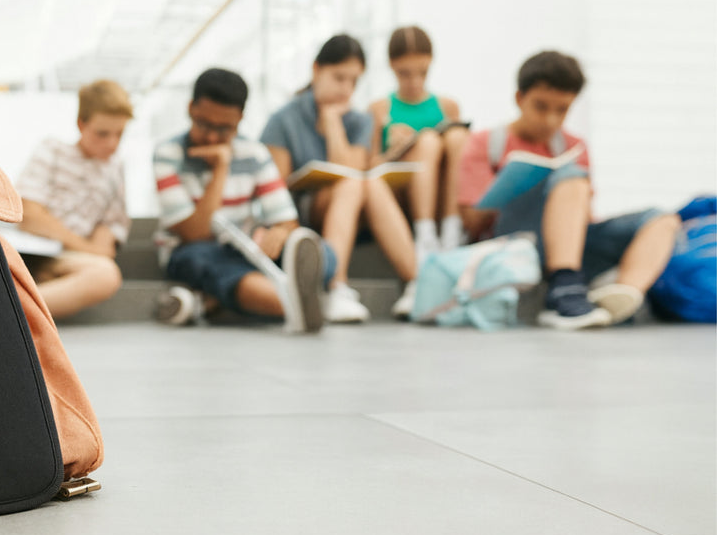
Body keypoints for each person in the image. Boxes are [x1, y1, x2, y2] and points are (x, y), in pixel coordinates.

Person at [458, 51, 680, 329]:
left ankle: (623, 296)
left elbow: (584, 218)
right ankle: (565, 289)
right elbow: (472, 222)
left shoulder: (575, 147)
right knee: (571, 174)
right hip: (513, 242)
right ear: (519, 99)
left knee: (662, 219)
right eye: (541, 107)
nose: (551, 120)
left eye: (562, 110)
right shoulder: (485, 143)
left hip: (568, 244)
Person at [153, 68, 335, 332]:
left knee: (323, 253)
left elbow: (286, 221)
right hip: (193, 249)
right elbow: (196, 233)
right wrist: (220, 168)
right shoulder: (168, 154)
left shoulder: (255, 153)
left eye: (224, 129)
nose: (213, 137)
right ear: (190, 109)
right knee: (205, 261)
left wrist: (278, 235)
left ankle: (219, 300)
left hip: (247, 249)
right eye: (205, 125)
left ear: (240, 120)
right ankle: (290, 303)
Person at [260, 33, 418, 323]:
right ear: (316, 70)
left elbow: (350, 169)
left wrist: (333, 123)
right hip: (303, 213)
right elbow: (274, 189)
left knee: (365, 182)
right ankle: (336, 286)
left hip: (354, 208)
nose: (346, 89)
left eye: (354, 81)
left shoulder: (359, 120)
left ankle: (415, 283)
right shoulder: (283, 120)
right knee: (353, 184)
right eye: (338, 77)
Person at [15, 79, 132, 319]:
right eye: (102, 133)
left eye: (119, 134)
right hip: (26, 249)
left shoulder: (115, 169)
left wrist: (99, 246)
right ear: (81, 124)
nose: (112, 143)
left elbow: (111, 229)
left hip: (63, 258)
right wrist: (85, 247)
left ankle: (10, 312)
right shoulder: (52, 150)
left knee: (106, 275)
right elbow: (30, 216)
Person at [368, 26, 469, 255]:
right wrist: (395, 151)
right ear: (391, 65)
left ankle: (452, 230)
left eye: (422, 72)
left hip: (443, 194)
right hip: (404, 196)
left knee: (457, 136)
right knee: (428, 142)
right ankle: (425, 237)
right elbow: (369, 169)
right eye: (405, 73)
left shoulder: (448, 107)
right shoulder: (379, 109)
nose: (414, 81)